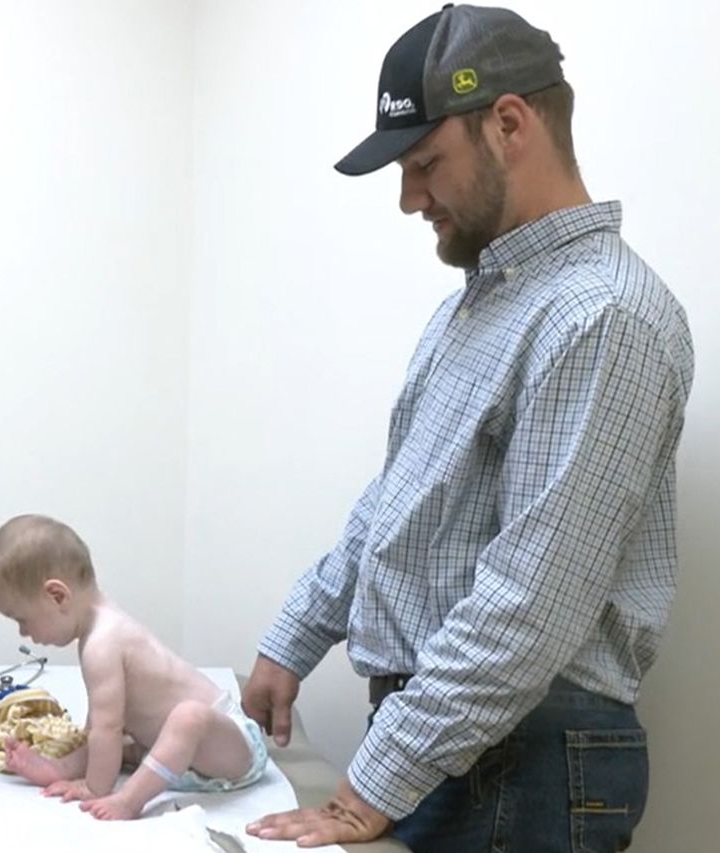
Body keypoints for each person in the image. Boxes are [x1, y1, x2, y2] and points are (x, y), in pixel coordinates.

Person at [241, 5, 694, 851]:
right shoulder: (482, 307)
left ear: (510, 124)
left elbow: (529, 606)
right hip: (461, 742)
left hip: (521, 756)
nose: (411, 198)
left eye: (424, 163)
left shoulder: (602, 316)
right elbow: (398, 502)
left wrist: (367, 786)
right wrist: (295, 637)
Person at [0, 514, 269, 820]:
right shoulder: (97, 633)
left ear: (57, 596)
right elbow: (99, 728)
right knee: (115, 738)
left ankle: (131, 800)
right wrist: (65, 767)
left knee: (186, 718)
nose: (23, 633)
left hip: (233, 750)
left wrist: (96, 787)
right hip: (192, 757)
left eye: (21, 619)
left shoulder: (103, 642)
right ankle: (58, 769)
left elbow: (108, 729)